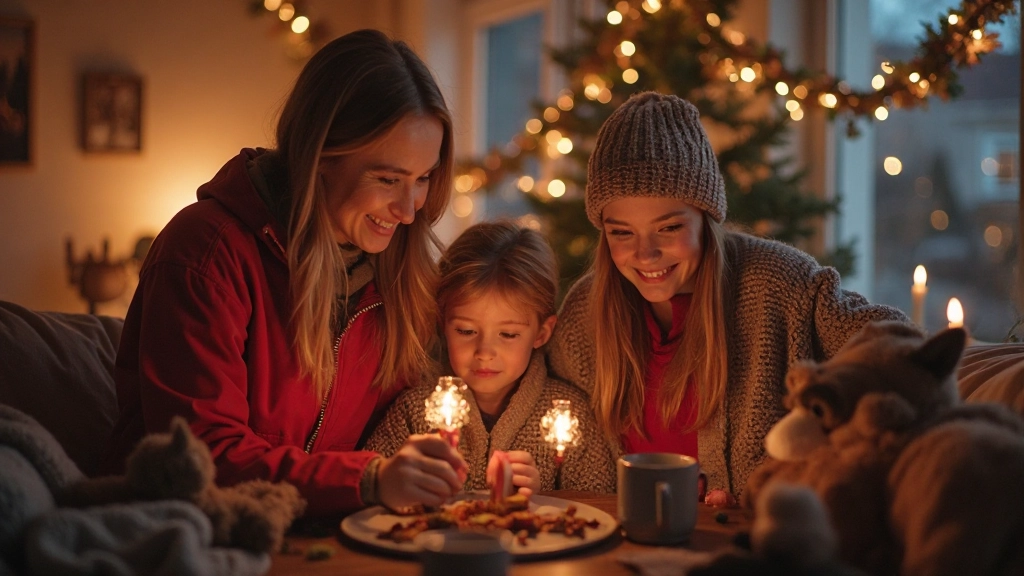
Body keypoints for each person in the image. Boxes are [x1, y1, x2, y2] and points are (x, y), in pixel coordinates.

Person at [105, 29, 468, 515]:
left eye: (423, 179)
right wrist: (368, 480)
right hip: (181, 531)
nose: (408, 210)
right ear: (319, 157)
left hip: (322, 537)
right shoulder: (205, 253)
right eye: (387, 178)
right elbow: (200, 458)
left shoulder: (400, 276)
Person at [547, 91, 908, 498]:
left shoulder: (779, 284)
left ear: (706, 218)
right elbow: (536, 395)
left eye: (669, 228)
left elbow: (893, 345)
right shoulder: (584, 313)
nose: (645, 253)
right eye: (621, 233)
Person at [365, 221, 616, 494]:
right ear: (442, 323)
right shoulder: (414, 412)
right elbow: (370, 485)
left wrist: (544, 498)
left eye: (508, 334)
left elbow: (597, 504)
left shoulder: (569, 417)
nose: (484, 352)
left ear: (541, 333)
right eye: (466, 330)